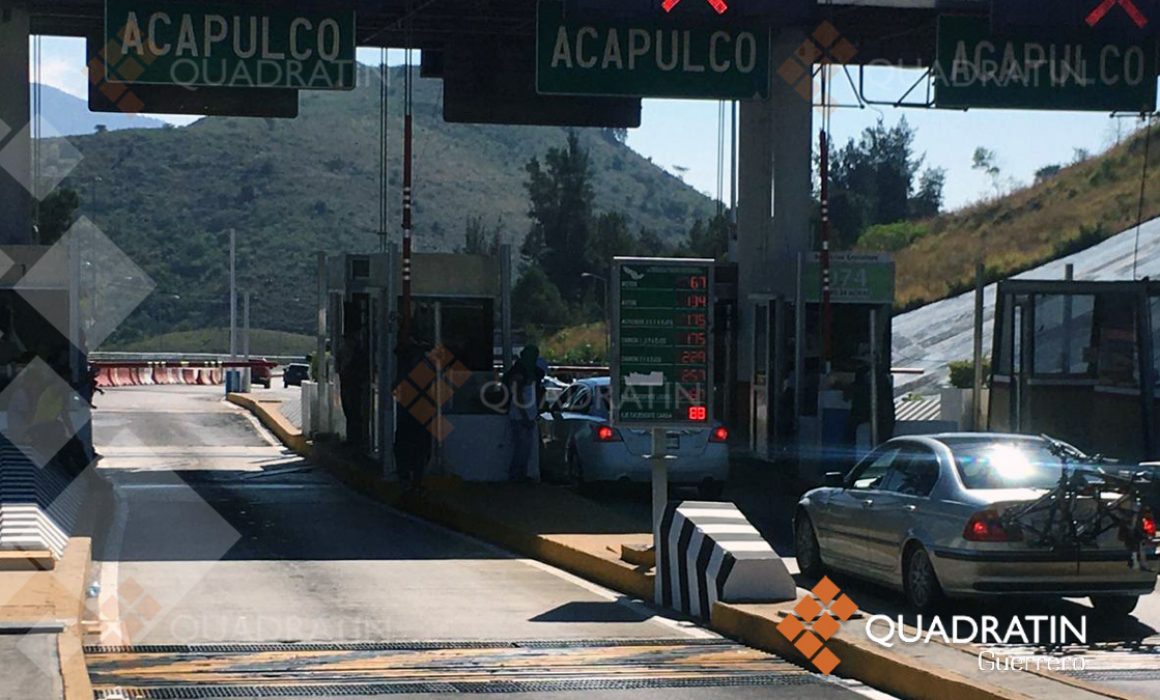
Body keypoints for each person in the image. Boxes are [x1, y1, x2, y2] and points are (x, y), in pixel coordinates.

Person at [395, 337, 433, 491]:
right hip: (419, 412)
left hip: (409, 411)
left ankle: (407, 477)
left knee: (407, 444)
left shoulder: (403, 366)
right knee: (420, 446)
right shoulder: (422, 366)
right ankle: (415, 478)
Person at [504, 345, 543, 482]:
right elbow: (518, 396)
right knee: (522, 448)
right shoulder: (519, 372)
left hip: (527, 416)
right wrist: (526, 416)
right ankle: (516, 476)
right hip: (520, 417)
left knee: (526, 449)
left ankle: (522, 475)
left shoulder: (529, 371)